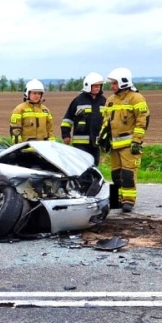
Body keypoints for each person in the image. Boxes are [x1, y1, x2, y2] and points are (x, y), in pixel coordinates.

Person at [99, 67, 149, 213]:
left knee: (128, 174)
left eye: (114, 83)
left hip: (129, 145)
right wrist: (103, 139)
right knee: (115, 174)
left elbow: (142, 121)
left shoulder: (136, 98)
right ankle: (116, 200)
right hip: (114, 144)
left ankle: (128, 201)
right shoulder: (110, 100)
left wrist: (137, 140)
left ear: (123, 82)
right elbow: (106, 122)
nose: (111, 86)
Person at [60, 72, 107, 164]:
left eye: (99, 85)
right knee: (82, 165)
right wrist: (65, 134)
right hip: (80, 142)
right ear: (88, 86)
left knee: (94, 165)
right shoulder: (78, 100)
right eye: (95, 86)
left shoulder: (103, 101)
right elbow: (68, 119)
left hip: (96, 142)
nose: (97, 87)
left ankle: (92, 179)